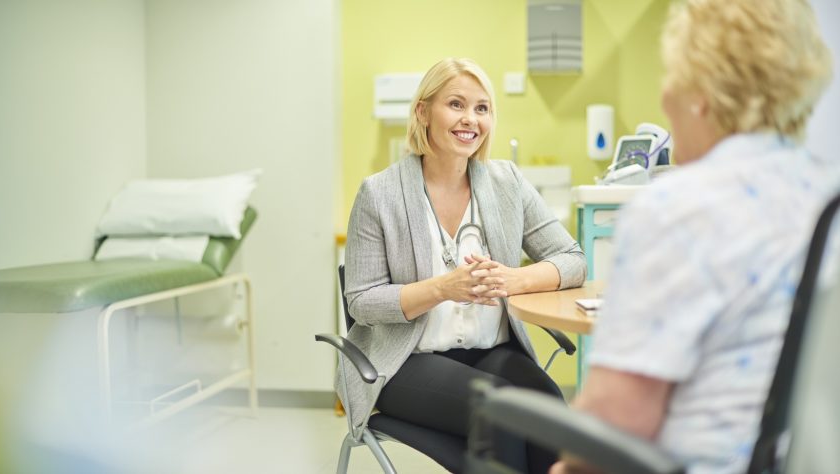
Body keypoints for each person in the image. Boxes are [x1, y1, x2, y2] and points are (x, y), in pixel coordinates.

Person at [550, 0, 837, 473]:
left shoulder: (677, 208)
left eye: (671, 75)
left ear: (700, 92)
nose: (664, 97)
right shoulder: (827, 194)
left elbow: (613, 425)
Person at [339, 57, 586, 473]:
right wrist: (442, 288)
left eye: (482, 108)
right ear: (423, 111)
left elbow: (573, 260)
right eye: (456, 104)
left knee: (549, 414)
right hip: (404, 362)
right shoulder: (379, 194)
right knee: (499, 413)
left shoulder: (508, 184)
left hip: (491, 351)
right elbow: (361, 301)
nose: (470, 119)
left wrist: (514, 279)